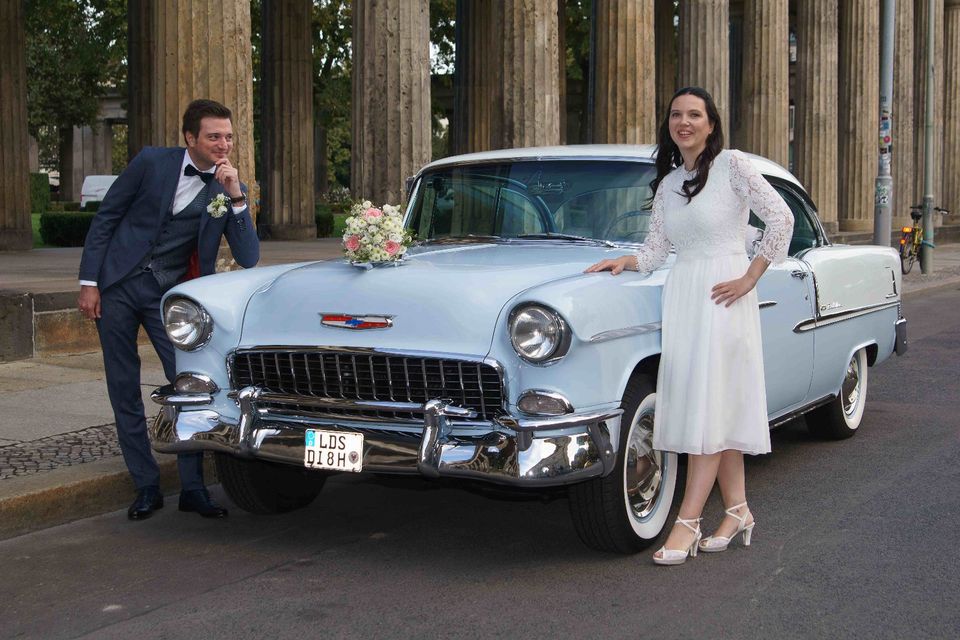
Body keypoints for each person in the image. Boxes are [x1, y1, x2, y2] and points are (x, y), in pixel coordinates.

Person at [585, 86, 793, 565]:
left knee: (708, 408)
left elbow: (781, 220)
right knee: (712, 406)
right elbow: (657, 251)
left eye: (694, 115)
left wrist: (748, 277)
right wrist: (625, 262)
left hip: (723, 295)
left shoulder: (733, 166)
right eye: (677, 115)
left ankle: (688, 521)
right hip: (685, 294)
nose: (685, 122)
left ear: (711, 123)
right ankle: (738, 510)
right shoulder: (670, 183)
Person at [77, 99, 260, 520]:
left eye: (228, 137)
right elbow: (106, 218)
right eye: (214, 136)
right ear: (190, 137)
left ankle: (193, 489)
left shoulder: (228, 188)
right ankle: (145, 486)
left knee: (190, 387)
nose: (223, 145)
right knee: (123, 387)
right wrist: (89, 282)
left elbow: (249, 257)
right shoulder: (151, 163)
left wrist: (235, 197)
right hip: (118, 285)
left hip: (172, 300)